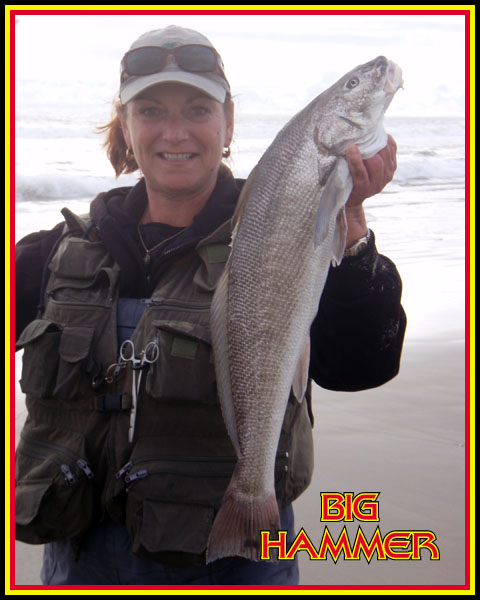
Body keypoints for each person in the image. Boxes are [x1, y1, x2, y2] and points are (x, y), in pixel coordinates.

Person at [14, 25, 406, 585]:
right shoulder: (53, 254)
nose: (175, 132)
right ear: (125, 128)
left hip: (237, 563)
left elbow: (361, 366)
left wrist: (352, 232)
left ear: (227, 126)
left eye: (198, 110)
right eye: (151, 111)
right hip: (82, 568)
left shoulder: (285, 231)